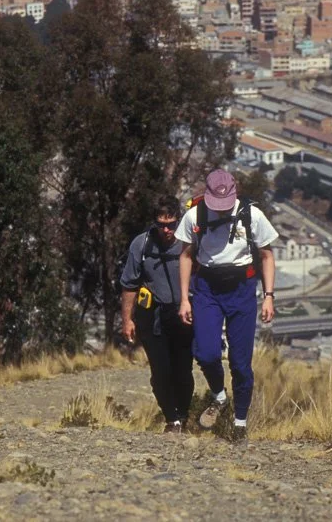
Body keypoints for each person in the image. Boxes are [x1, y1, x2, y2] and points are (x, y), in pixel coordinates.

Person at [177, 169, 278, 442]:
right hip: (207, 288)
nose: (220, 211)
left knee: (240, 362)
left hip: (242, 289)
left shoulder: (252, 215)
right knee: (206, 352)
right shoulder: (194, 215)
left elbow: (267, 255)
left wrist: (268, 295)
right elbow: (186, 256)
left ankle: (240, 422)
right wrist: (185, 298)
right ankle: (219, 396)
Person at [118, 196, 193, 433]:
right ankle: (172, 419)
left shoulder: (188, 242)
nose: (167, 230)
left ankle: (183, 413)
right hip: (153, 315)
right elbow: (129, 284)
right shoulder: (141, 245)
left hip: (183, 314)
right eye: (161, 224)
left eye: (171, 224)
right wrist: (127, 320)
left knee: (182, 370)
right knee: (160, 371)